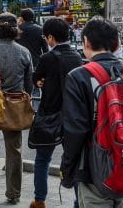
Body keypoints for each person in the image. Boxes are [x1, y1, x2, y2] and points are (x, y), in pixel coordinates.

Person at [61, 17, 123, 207]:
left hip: (92, 169)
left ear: (86, 42)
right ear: (117, 44)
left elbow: (75, 130)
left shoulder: (79, 76)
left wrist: (67, 169)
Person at [0, 13, 34, 205]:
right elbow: (29, 84)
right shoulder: (24, 52)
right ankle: (13, 193)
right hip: (15, 105)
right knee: (14, 150)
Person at [29, 18, 82, 208]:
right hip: (71, 115)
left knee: (43, 159)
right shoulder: (76, 56)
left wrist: (39, 81)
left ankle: (40, 199)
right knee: (74, 160)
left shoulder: (47, 58)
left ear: (50, 37)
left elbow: (36, 78)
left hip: (50, 116)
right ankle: (78, 201)